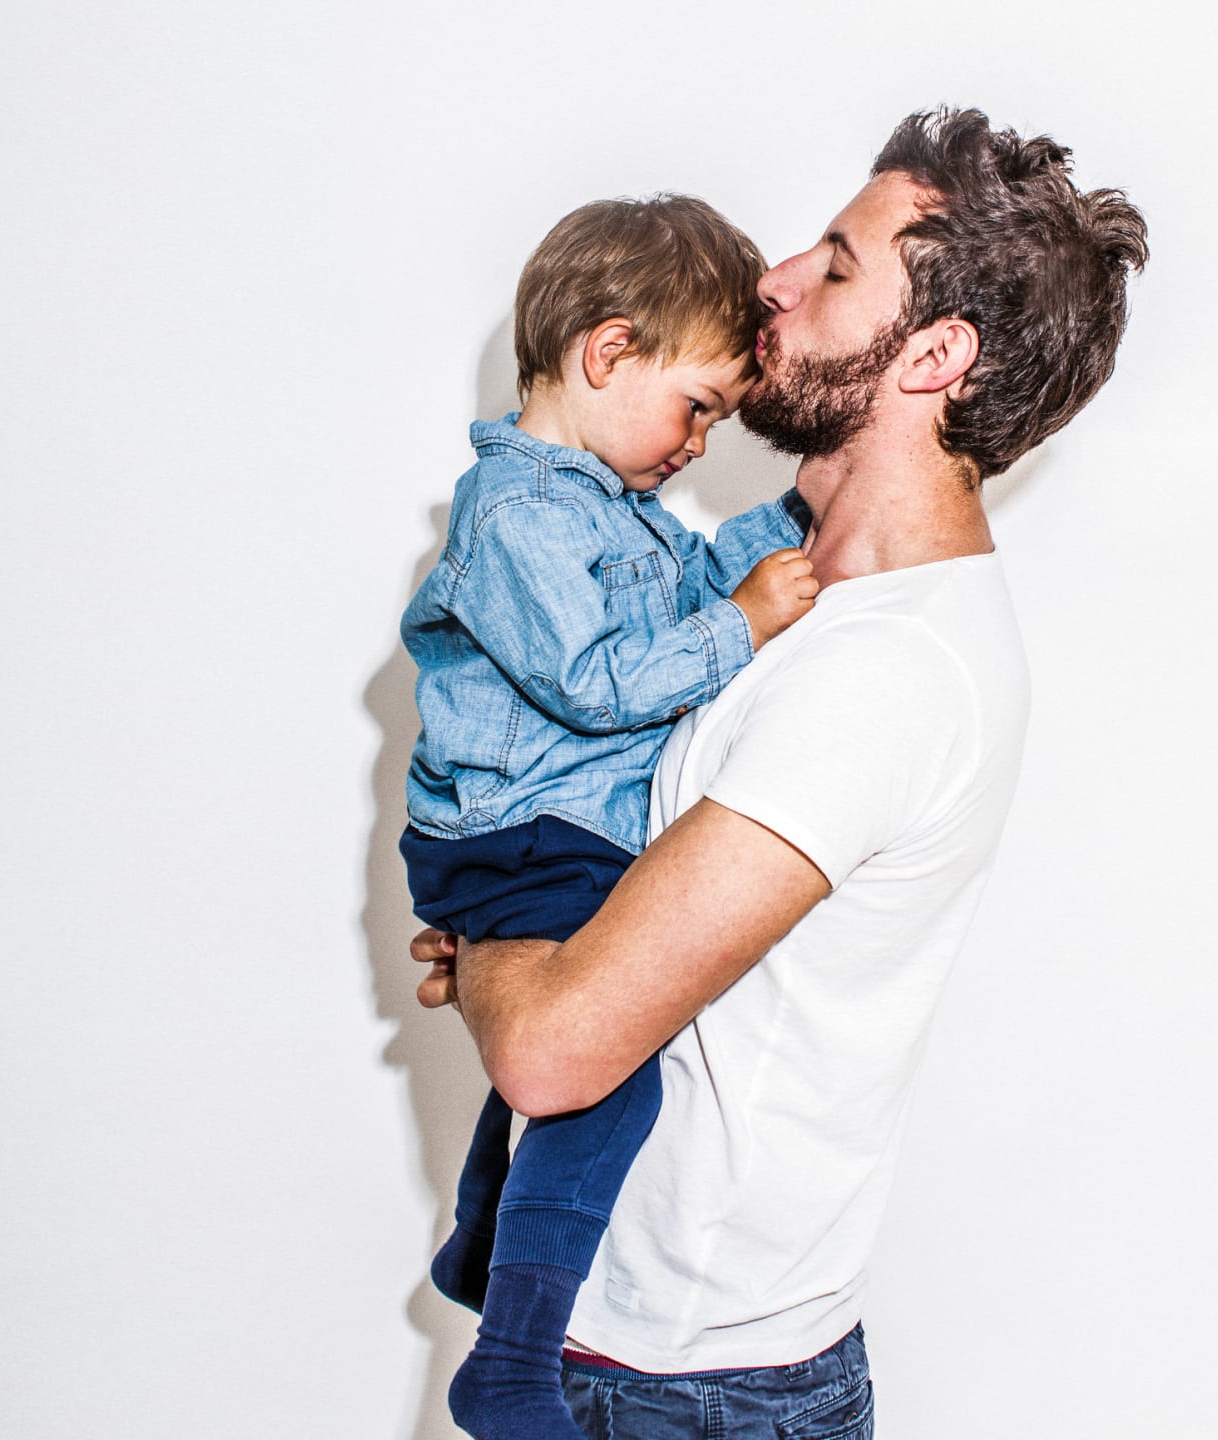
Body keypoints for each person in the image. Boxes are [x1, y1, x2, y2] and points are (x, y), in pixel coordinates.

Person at [414, 107, 1149, 1440]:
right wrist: (523, 924)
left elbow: (552, 1048)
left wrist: (491, 955)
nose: (776, 284)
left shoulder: (885, 671)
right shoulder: (798, 599)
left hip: (682, 1390)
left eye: (835, 260)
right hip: (644, 1350)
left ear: (933, 353)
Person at [399, 194, 821, 1440]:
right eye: (696, 407)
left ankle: (486, 1242)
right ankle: (514, 1363)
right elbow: (597, 685)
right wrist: (747, 621)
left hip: (542, 836)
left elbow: (692, 577)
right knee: (612, 1079)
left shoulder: (606, 507)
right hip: (522, 835)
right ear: (607, 352)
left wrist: (798, 521)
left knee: (565, 1068)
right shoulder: (519, 516)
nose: (698, 445)